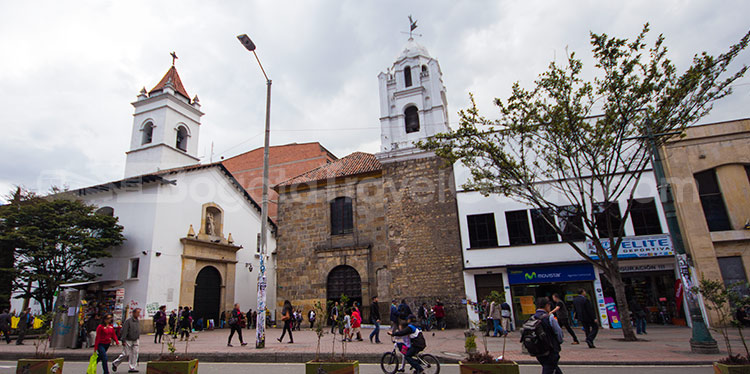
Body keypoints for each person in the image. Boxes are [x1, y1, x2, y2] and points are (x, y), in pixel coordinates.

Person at [530, 297, 564, 374]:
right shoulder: (549, 317)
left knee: (553, 368)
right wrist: (558, 342)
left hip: (538, 349)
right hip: (550, 349)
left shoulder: (532, 317)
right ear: (547, 305)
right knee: (549, 368)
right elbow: (559, 333)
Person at [113, 308, 141, 373]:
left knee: (135, 353)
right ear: (133, 313)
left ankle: (132, 367)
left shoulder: (137, 321)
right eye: (137, 313)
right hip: (128, 339)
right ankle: (115, 363)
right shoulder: (128, 321)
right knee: (125, 353)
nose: (138, 314)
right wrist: (123, 340)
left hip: (135, 339)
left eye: (139, 313)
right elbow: (124, 330)